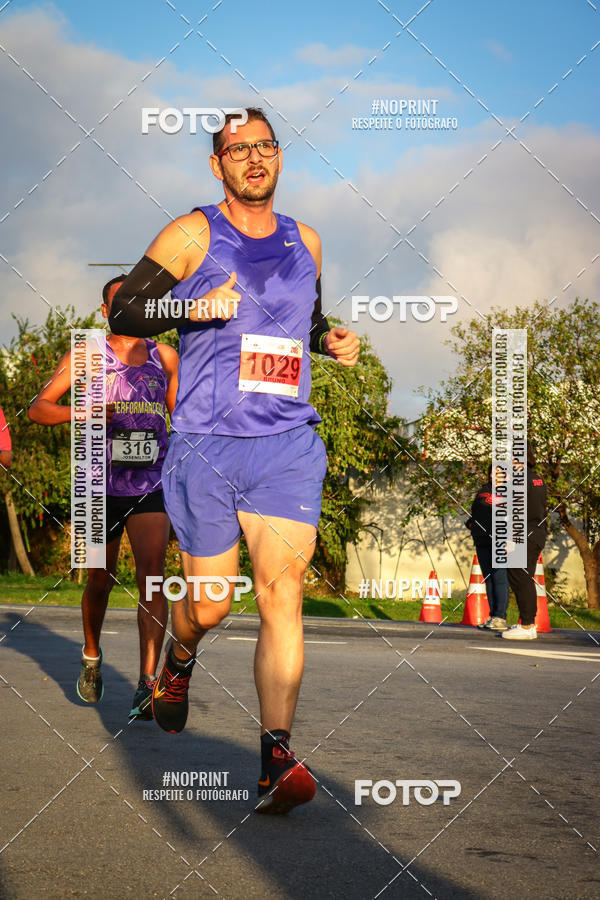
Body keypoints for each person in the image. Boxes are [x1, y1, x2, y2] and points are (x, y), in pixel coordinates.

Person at [108, 106, 360, 814]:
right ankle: (177, 660)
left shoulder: (304, 238)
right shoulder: (192, 233)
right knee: (212, 604)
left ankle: (277, 760)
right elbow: (126, 312)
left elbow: (298, 321)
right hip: (207, 445)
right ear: (216, 165)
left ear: (280, 157)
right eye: (237, 149)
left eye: (265, 145)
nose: (254, 157)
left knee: (284, 596)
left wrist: (329, 339)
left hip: (286, 442)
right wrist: (193, 313)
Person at [29, 278, 179, 717]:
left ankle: (148, 682)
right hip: (98, 481)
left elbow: (183, 415)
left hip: (150, 480)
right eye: (122, 300)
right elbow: (40, 408)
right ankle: (91, 656)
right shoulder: (86, 355)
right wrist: (87, 410)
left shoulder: (164, 356)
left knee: (152, 575)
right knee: (100, 580)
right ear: (105, 309)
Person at [502, 442, 548, 640]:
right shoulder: (538, 479)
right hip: (537, 533)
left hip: (523, 534)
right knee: (525, 576)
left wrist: (511, 538)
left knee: (519, 577)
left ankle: (528, 625)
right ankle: (527, 622)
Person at [466, 465, 510, 631]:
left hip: (500, 540)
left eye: (499, 473)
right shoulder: (483, 491)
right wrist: (472, 525)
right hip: (482, 540)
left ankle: (501, 617)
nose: (494, 475)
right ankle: (493, 616)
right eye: (492, 472)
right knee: (489, 579)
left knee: (500, 578)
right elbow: (478, 510)